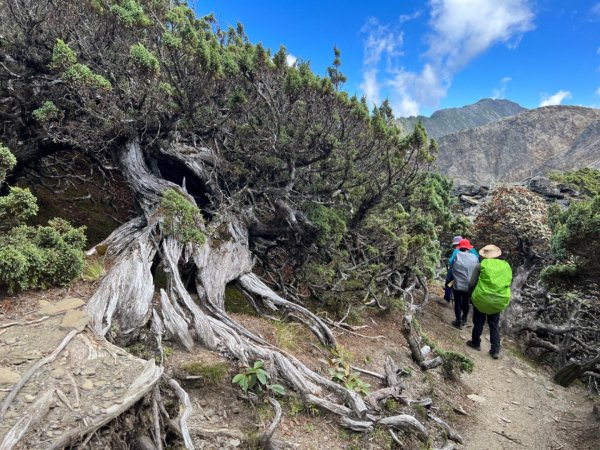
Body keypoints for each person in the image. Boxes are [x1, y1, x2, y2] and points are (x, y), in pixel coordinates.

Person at [466, 244, 512, 359]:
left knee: (478, 321)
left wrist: (471, 295)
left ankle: (476, 343)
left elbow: (472, 283)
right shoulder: (506, 266)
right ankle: (495, 350)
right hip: (498, 300)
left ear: (485, 255)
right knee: (494, 324)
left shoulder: (480, 265)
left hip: (481, 299)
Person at [449, 239, 479, 328]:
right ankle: (464, 318)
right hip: (469, 285)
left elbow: (451, 265)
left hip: (457, 283)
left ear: (460, 247)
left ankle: (458, 320)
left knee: (457, 301)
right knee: (466, 301)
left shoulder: (457, 255)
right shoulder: (474, 257)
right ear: (468, 248)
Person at [443, 235, 463, 302]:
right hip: (466, 275)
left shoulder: (456, 251)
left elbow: (450, 261)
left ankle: (447, 297)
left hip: (455, 274)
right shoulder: (469, 251)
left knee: (448, 284)